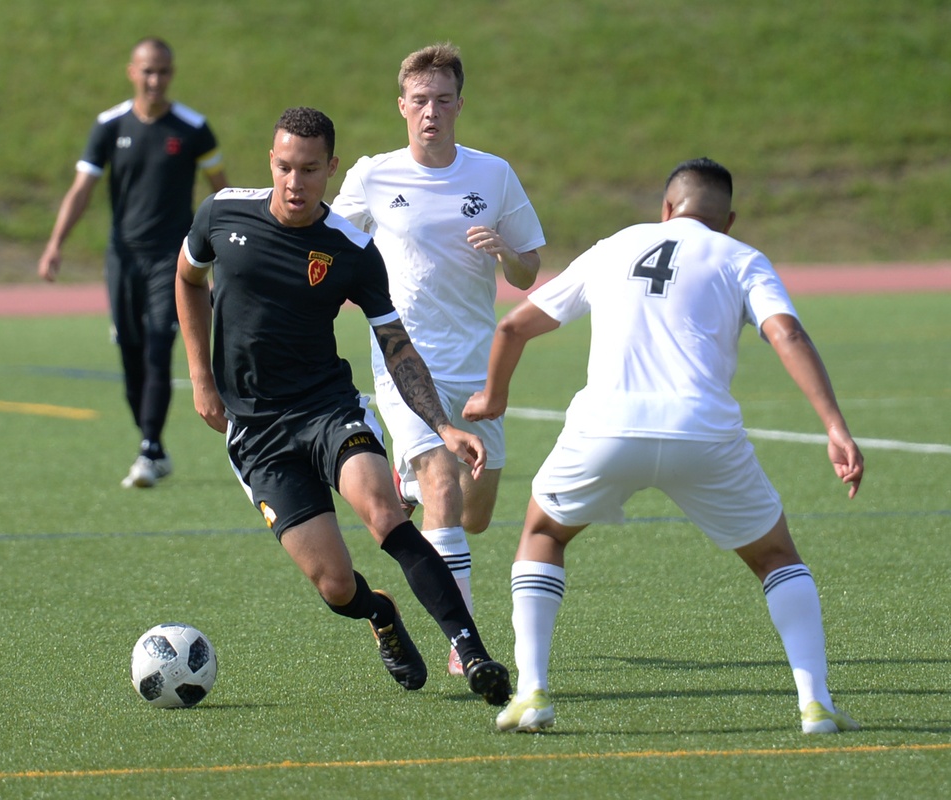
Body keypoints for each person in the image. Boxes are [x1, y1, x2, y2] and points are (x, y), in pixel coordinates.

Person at [463, 157, 864, 735]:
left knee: (544, 534)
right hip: (703, 434)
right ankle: (816, 704)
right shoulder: (740, 256)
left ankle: (532, 695)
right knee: (777, 558)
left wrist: (493, 398)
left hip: (604, 430)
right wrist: (834, 426)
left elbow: (512, 326)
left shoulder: (615, 246)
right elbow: (788, 333)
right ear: (727, 219)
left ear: (666, 209)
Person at [174, 106, 511, 705]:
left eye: (308, 170)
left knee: (387, 517)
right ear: (270, 162)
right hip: (256, 433)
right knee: (334, 586)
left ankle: (474, 652)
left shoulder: (351, 249)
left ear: (331, 168)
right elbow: (188, 278)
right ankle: (380, 613)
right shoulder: (221, 213)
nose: (295, 183)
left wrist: (441, 426)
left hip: (328, 410)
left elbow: (397, 347)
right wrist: (201, 377)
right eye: (284, 168)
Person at [331, 42, 546, 675]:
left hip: (478, 366)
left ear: (459, 105)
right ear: (402, 106)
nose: (431, 112)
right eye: (420, 100)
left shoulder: (493, 174)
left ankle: (406, 484)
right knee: (444, 489)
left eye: (442, 100)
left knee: (476, 515)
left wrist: (506, 249)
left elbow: (530, 269)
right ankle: (465, 641)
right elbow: (327, 241)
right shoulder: (374, 175)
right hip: (405, 363)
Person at [38, 37, 228, 488]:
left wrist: (223, 255)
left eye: (162, 71)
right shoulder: (109, 126)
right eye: (147, 71)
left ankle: (149, 448)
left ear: (172, 73)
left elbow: (219, 192)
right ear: (132, 72)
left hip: (173, 258)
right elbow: (82, 189)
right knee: (130, 352)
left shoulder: (193, 128)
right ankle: (152, 445)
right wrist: (55, 243)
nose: (155, 79)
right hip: (122, 257)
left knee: (161, 344)